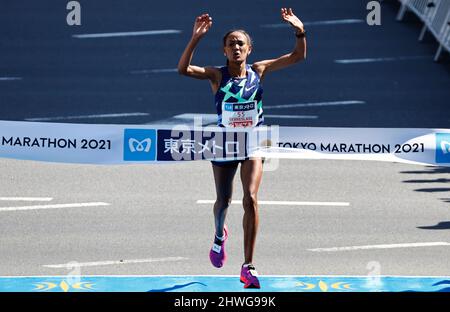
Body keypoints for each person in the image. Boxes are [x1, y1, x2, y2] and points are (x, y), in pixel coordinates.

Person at [178, 8, 306, 289]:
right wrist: (195, 39)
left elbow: (298, 56)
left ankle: (248, 266)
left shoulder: (259, 70)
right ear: (224, 51)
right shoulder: (216, 75)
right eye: (231, 44)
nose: (236, 47)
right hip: (223, 145)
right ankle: (219, 235)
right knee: (223, 201)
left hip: (252, 144)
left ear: (249, 50)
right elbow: (183, 69)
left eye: (241, 43)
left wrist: (299, 30)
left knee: (251, 198)